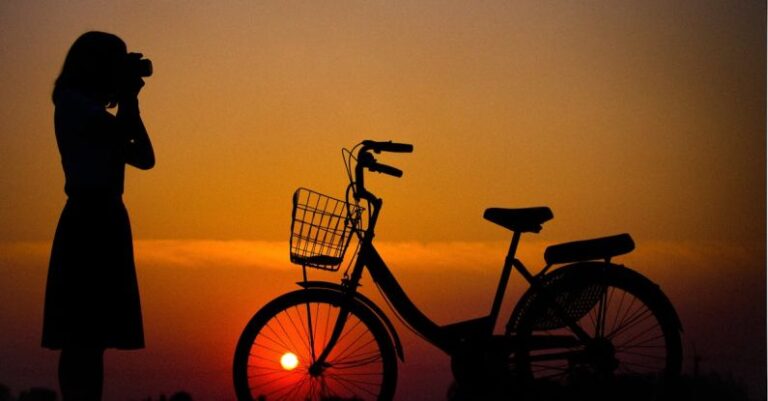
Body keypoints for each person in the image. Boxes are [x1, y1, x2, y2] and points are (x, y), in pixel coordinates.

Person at [42, 31, 155, 401]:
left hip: (105, 216)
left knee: (95, 337)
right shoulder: (73, 105)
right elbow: (123, 135)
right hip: (88, 219)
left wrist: (130, 101)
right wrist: (128, 99)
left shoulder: (91, 111)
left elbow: (145, 158)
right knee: (80, 336)